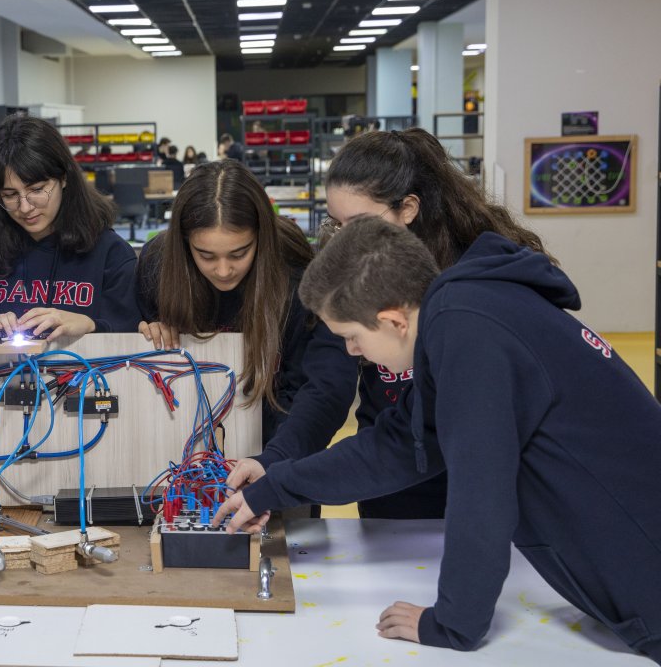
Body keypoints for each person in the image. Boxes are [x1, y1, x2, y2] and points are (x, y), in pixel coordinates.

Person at [215, 217, 661, 661]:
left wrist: (452, 622)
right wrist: (271, 487)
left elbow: (481, 494)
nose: (353, 353)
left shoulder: (470, 336)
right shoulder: (461, 312)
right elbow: (397, 447)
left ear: (392, 320)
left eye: (352, 337)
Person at [230, 128, 552, 519]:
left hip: (476, 482)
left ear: (409, 208)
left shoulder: (475, 299)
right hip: (392, 471)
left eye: (361, 222)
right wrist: (277, 461)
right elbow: (329, 385)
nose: (346, 239)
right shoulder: (354, 272)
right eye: (336, 224)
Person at [134, 160, 355, 445]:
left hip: (275, 444)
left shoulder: (296, 276)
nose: (224, 271)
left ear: (260, 238)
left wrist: (272, 460)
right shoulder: (158, 266)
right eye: (206, 255)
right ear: (185, 244)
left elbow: (317, 389)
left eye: (239, 254)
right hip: (181, 441)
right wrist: (150, 336)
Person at [0, 115, 139, 339]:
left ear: (64, 177)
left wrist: (90, 325)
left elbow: (131, 340)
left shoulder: (111, 254)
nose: (25, 207)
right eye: (10, 195)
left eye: (37, 189)